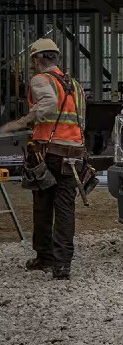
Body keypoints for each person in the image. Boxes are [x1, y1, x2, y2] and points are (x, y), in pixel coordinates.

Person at [0, 38, 87, 280]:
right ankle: (63, 265)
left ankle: (45, 257)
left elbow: (48, 105)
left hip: (48, 153)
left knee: (43, 205)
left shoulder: (41, 80)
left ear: (38, 60)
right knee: (65, 209)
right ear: (56, 59)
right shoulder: (76, 86)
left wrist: (19, 123)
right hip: (74, 154)